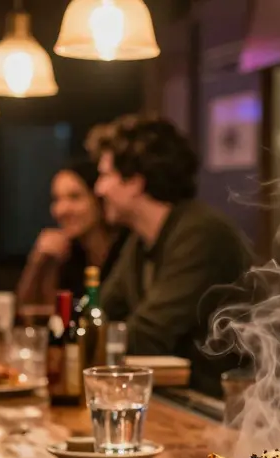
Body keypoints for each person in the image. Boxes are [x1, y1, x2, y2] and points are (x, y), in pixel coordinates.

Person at [94, 116, 253, 395]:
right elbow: (103, 314)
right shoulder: (140, 240)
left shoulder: (201, 233)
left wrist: (86, 343)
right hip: (181, 400)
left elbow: (146, 336)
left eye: (105, 176)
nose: (98, 189)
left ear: (134, 182)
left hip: (226, 411)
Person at [15, 158, 124, 308]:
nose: (61, 210)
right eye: (56, 199)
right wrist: (37, 261)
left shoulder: (127, 251)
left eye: (74, 197)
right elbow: (31, 314)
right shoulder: (66, 254)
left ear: (99, 199)